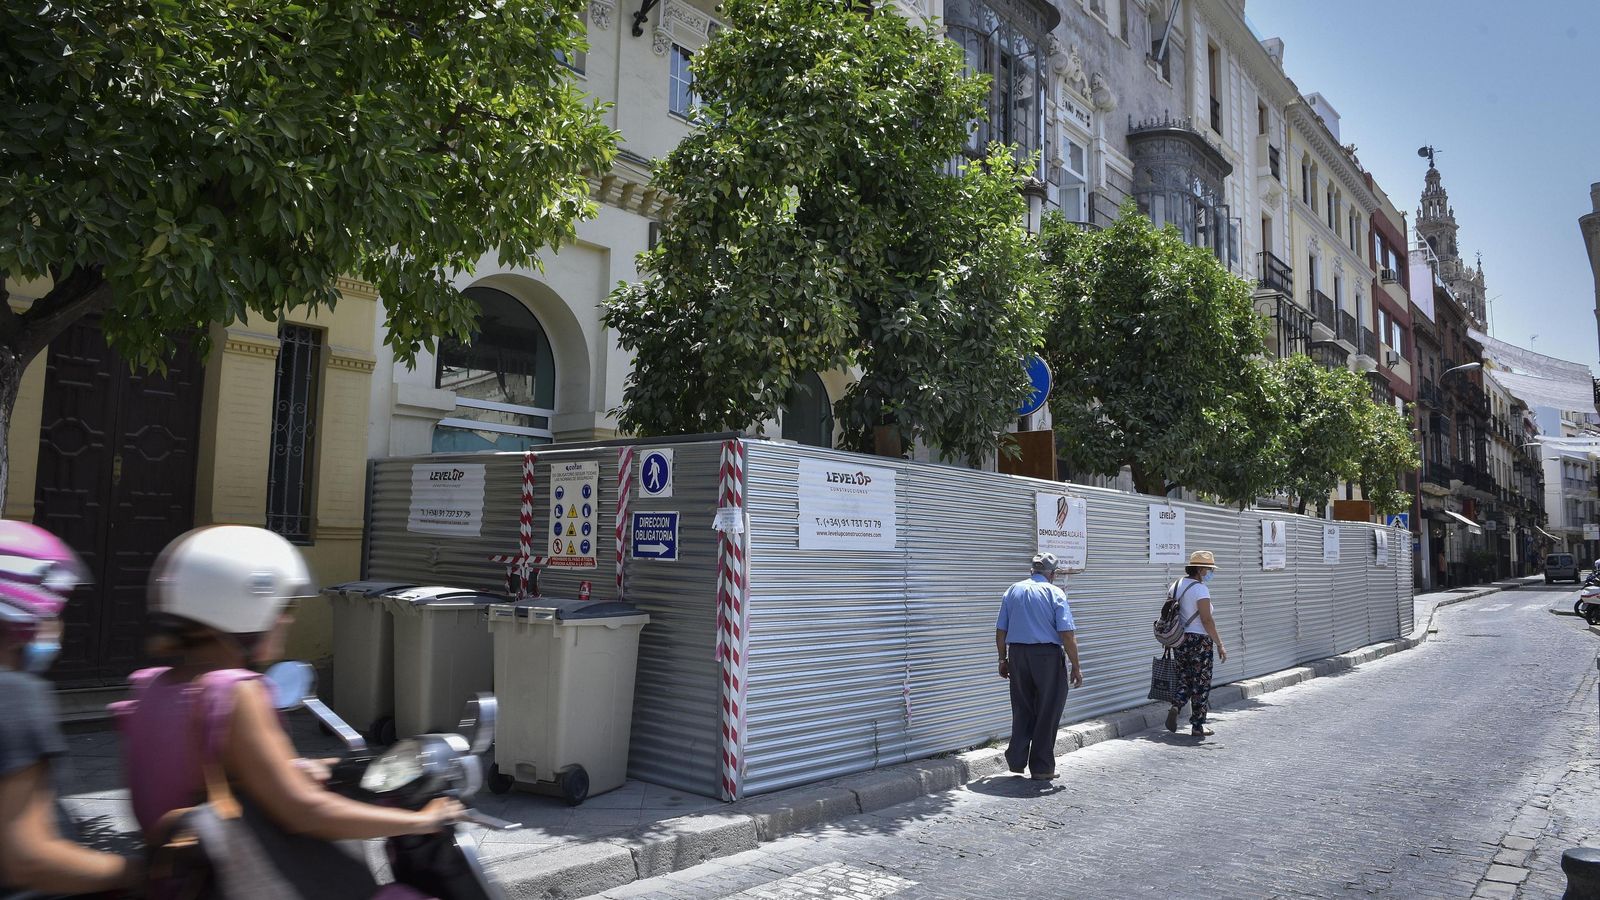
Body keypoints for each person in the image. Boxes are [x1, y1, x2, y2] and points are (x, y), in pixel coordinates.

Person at [113, 525, 460, 898]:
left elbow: (198, 774)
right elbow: (306, 813)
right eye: (284, 607)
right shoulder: (234, 691)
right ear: (247, 604)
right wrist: (422, 820)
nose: (287, 620)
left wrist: (297, 769)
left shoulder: (152, 687)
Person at [0, 520, 142, 897]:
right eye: (55, 612)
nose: (57, 626)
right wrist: (135, 872)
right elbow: (28, 859)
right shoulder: (14, 695)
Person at [995, 552, 1082, 780]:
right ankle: (1042, 767)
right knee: (1048, 709)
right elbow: (1066, 634)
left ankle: (1016, 760)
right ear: (1052, 574)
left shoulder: (1012, 590)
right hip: (1046, 656)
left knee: (1022, 706)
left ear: (1031, 571)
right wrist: (1076, 665)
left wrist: (1002, 659)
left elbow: (1000, 630)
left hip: (1018, 654)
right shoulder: (1055, 593)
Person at [1164, 550, 1229, 739]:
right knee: (1201, 683)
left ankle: (1176, 704)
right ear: (1200, 569)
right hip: (1199, 641)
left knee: (1185, 678)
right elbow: (1207, 620)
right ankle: (1197, 726)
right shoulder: (1200, 589)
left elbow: (1170, 614)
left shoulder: (1175, 585)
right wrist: (1219, 643)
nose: (1210, 573)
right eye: (1209, 569)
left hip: (1180, 640)